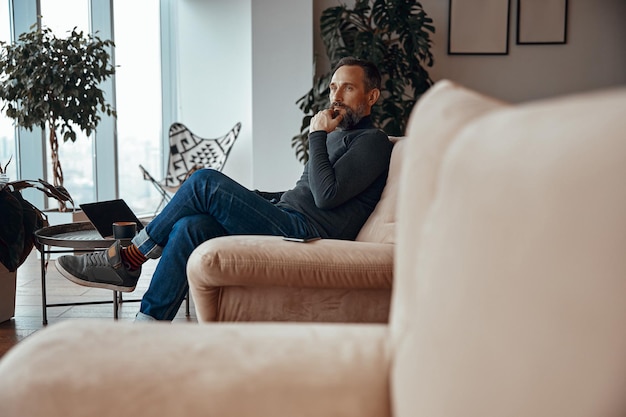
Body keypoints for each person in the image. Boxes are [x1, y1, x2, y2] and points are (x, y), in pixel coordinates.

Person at [55, 57, 394, 321]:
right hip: (288, 218)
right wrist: (263, 199)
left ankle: (129, 257)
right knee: (191, 226)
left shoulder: (373, 142)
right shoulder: (337, 137)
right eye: (333, 86)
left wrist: (316, 135)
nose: (335, 96)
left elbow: (325, 195)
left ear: (372, 96)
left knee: (202, 180)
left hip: (308, 234)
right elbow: (307, 192)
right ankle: (148, 325)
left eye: (347, 88)